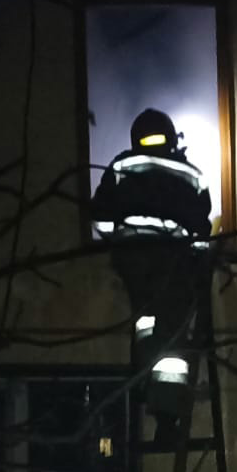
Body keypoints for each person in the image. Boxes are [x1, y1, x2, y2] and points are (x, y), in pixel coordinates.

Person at [91, 108, 212, 439]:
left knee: (145, 323)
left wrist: (117, 242)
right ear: (171, 138)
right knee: (173, 337)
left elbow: (99, 217)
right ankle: (166, 416)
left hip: (133, 261)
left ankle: (143, 382)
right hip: (175, 264)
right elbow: (201, 229)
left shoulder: (121, 166)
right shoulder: (192, 173)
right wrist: (201, 262)